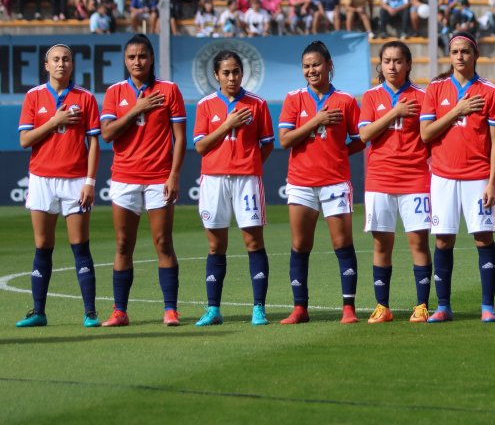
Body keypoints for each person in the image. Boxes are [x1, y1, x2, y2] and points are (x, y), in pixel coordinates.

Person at [99, 36, 187, 327]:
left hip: (159, 177)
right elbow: (107, 134)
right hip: (124, 177)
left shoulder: (169, 90)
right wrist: (137, 108)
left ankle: (171, 309)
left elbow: (180, 138)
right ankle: (120, 311)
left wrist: (174, 175)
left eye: (142, 56)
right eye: (131, 57)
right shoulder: (115, 92)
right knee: (123, 244)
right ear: (125, 61)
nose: (137, 62)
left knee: (163, 242)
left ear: (151, 58)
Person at [420, 32, 495, 322]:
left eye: (465, 51)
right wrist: (457, 110)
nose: (459, 56)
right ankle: (443, 306)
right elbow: (426, 134)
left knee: (483, 238)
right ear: (450, 55)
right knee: (443, 240)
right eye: (455, 51)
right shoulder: (436, 89)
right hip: (443, 177)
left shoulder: (490, 91)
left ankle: (488, 306)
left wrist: (492, 182)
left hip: (478, 177)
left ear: (475, 55)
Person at [278, 41, 364, 325]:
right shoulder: (293, 99)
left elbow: (359, 139)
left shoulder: (346, 101)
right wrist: (316, 121)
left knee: (342, 243)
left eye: (316, 64)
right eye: (306, 66)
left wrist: (338, 153)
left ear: (329, 66)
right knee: (300, 244)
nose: (311, 70)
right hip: (301, 182)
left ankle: (348, 308)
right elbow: (285, 140)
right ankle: (300, 308)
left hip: (335, 182)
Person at [15, 45, 101, 328]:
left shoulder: (86, 97)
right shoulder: (34, 96)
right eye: (56, 59)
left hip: (75, 180)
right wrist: (55, 122)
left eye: (66, 59)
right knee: (43, 245)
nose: (61, 63)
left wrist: (89, 181)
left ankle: (90, 313)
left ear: (72, 64)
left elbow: (93, 143)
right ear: (46, 65)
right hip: (41, 179)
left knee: (80, 245)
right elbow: (25, 140)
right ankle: (39, 312)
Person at [193, 51, 275, 327]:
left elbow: (267, 144)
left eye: (236, 71)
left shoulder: (257, 104)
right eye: (226, 73)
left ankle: (259, 308)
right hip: (213, 180)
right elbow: (201, 146)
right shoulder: (205, 105)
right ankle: (213, 309)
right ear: (216, 75)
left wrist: (249, 164)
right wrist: (227, 125)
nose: (232, 77)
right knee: (216, 245)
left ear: (242, 73)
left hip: (246, 180)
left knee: (254, 242)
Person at [358, 41, 433, 323]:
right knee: (381, 244)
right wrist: (394, 112)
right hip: (380, 179)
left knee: (418, 242)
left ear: (408, 64)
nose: (392, 66)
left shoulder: (422, 96)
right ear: (380, 64)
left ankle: (422, 305)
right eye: (387, 61)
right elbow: (365, 135)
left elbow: (428, 137)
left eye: (398, 61)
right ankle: (382, 306)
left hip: (415, 178)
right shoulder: (371, 96)